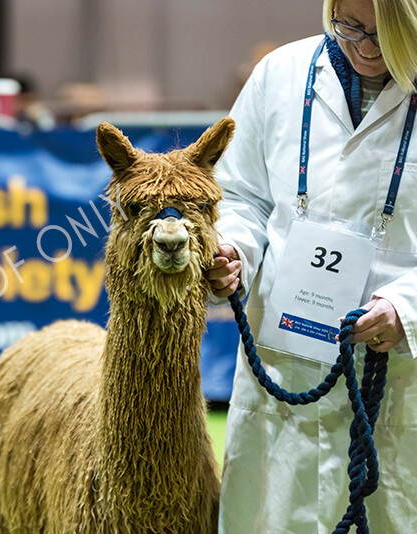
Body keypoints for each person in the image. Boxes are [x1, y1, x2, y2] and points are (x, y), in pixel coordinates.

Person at [207, 0, 417, 531]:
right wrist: (234, 249)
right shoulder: (279, 75)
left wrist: (406, 309)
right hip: (284, 366)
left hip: (398, 378)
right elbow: (241, 195)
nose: (366, 48)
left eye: (384, 32)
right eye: (349, 26)